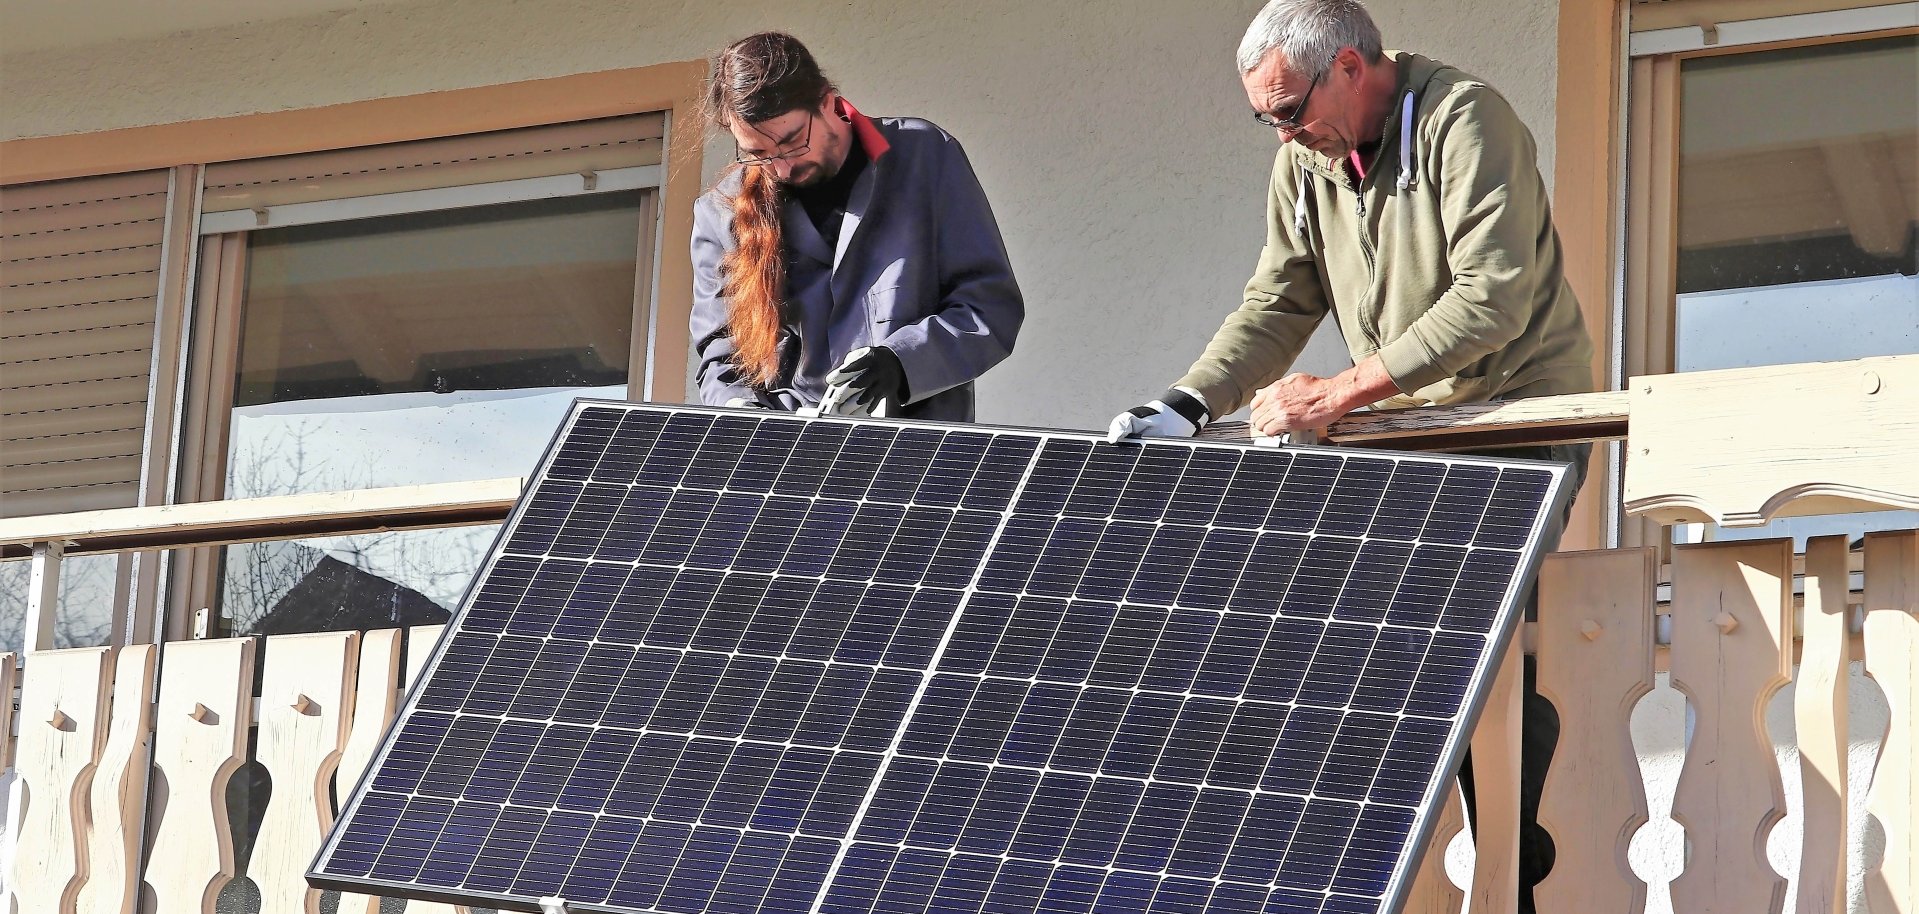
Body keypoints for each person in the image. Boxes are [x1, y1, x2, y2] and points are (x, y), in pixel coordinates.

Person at [1105, 1, 1594, 909]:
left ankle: (1512, 877)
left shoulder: (1463, 119)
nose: (1284, 134)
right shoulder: (1304, 159)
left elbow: (1493, 299)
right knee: (1356, 653)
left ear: (1350, 67)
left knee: (1479, 644)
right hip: (1397, 431)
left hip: (1509, 422)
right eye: (1266, 119)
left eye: (1290, 111)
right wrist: (1184, 404)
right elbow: (1278, 302)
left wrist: (1335, 394)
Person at [691, 31, 1024, 421]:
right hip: (785, 463)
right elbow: (722, 355)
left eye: (793, 141)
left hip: (915, 460)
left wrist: (900, 363)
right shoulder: (720, 212)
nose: (781, 167)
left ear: (829, 103)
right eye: (758, 154)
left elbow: (989, 306)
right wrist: (741, 410)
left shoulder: (925, 156)